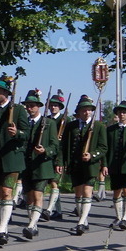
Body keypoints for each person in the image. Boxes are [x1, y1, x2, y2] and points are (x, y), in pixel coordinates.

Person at [0, 75, 28, 246]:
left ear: (6, 93)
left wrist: (18, 133)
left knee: (7, 192)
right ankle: (1, 227)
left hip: (11, 159)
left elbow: (27, 133)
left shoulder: (18, 110)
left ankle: (3, 230)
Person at [61, 95, 107, 236]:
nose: (87, 112)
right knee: (78, 194)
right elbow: (65, 146)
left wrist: (92, 155)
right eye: (84, 110)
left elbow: (103, 147)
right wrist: (63, 163)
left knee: (87, 192)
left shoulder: (99, 126)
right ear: (79, 111)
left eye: (89, 110)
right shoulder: (71, 126)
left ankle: (80, 222)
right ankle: (84, 219)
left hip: (90, 165)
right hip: (75, 165)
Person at [19, 90, 58, 239]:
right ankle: (33, 224)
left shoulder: (49, 123)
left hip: (42, 166)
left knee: (37, 195)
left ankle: (30, 225)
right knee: (28, 197)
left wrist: (45, 150)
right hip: (27, 165)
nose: (30, 108)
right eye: (28, 106)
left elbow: (55, 146)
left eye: (32, 105)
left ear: (39, 106)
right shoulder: (24, 123)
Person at [103, 100, 126, 230]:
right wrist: (105, 165)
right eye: (120, 112)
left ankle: (125, 218)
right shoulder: (110, 130)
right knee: (116, 192)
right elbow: (106, 149)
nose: (122, 114)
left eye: (124, 112)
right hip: (114, 165)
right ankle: (118, 217)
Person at [42, 90, 70, 221]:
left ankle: (49, 209)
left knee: (54, 182)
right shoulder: (45, 120)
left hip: (59, 157)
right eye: (52, 105)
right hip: (47, 156)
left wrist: (61, 161)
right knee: (53, 185)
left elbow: (64, 143)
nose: (53, 107)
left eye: (56, 105)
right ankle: (58, 210)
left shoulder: (65, 121)